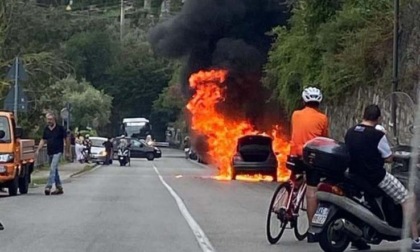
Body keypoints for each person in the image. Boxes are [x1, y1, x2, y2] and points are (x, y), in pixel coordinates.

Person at [345, 104, 420, 251]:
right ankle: (416, 239)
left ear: (363, 115)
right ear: (379, 118)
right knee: (408, 198)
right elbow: (388, 158)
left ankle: (356, 240)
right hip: (376, 177)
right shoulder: (377, 135)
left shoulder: (350, 132)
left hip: (354, 175)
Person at [288, 87, 329, 243]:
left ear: (304, 100)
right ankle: (313, 230)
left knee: (294, 179)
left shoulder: (295, 115)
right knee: (312, 192)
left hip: (294, 156)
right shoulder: (323, 118)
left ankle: (288, 204)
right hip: (312, 158)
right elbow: (325, 139)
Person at [35, 112, 67, 195]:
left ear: (54, 119)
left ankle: (48, 186)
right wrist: (38, 149)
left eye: (50, 119)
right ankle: (59, 187)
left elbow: (66, 139)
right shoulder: (46, 129)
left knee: (52, 168)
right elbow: (43, 139)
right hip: (50, 152)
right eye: (47, 119)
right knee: (55, 170)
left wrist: (67, 151)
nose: (49, 121)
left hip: (58, 151)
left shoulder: (60, 128)